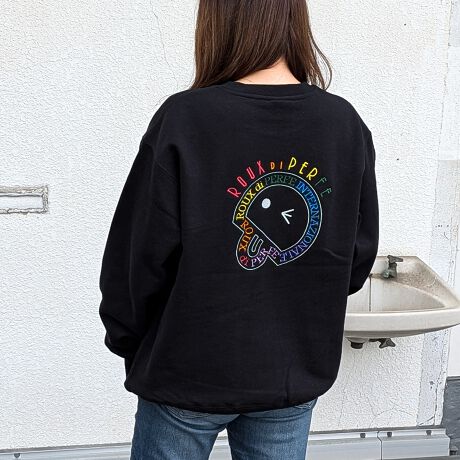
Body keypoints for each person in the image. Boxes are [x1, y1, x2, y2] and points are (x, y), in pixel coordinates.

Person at [98, 0, 379, 458]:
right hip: (288, 376)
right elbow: (355, 258)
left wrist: (129, 341)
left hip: (185, 374)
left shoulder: (186, 118)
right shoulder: (343, 124)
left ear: (217, 22)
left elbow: (137, 259)